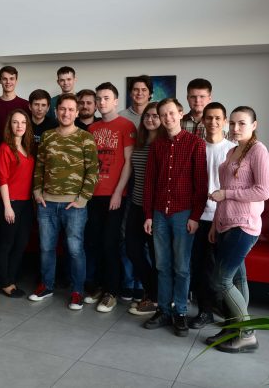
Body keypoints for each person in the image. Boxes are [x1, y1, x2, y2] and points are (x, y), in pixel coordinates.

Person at [206, 106, 269, 353]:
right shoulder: (232, 151)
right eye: (232, 123)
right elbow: (223, 193)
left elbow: (263, 191)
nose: (235, 128)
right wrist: (216, 224)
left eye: (242, 123)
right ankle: (235, 328)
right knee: (237, 278)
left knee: (220, 280)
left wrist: (227, 194)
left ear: (254, 125)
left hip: (244, 225)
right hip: (226, 223)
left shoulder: (258, 150)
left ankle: (247, 333)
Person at [142, 98, 207, 337]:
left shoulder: (196, 144)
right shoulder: (157, 146)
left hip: (184, 214)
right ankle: (164, 310)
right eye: (163, 115)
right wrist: (148, 215)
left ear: (180, 114)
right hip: (159, 214)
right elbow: (149, 183)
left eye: (171, 113)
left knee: (181, 267)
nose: (167, 118)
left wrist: (195, 216)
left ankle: (180, 312)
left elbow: (201, 184)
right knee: (162, 265)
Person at [29, 93, 98, 310]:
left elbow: (93, 171)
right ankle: (46, 285)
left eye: (70, 109)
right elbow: (39, 166)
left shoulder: (85, 137)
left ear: (76, 113)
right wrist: (37, 192)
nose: (66, 113)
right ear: (56, 111)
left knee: (75, 250)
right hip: (47, 203)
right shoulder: (47, 136)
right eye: (62, 109)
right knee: (46, 248)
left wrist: (82, 199)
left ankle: (77, 291)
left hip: (74, 206)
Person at [86, 82, 136, 313]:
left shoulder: (126, 126)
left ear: (116, 101)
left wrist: (118, 192)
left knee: (110, 243)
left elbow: (128, 162)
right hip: (93, 195)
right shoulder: (92, 128)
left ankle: (112, 292)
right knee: (95, 242)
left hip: (115, 195)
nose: (101, 102)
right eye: (99, 98)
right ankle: (99, 286)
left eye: (106, 98)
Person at [188, 102, 236, 329]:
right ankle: (205, 311)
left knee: (223, 270)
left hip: (226, 217)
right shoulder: (195, 146)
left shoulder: (233, 149)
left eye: (218, 118)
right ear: (203, 121)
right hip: (200, 216)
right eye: (209, 118)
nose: (213, 122)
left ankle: (230, 313)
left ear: (224, 121)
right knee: (200, 267)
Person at [126, 102, 161, 316]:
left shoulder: (164, 144)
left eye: (155, 116)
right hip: (136, 204)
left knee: (157, 256)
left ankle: (155, 299)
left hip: (155, 209)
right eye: (147, 116)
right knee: (132, 249)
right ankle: (152, 292)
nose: (150, 119)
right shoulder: (140, 142)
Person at [0, 109, 35, 298]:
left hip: (26, 203)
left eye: (23, 122)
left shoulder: (28, 148)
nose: (19, 126)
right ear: (9, 125)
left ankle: (11, 278)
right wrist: (7, 206)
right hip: (11, 202)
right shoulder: (5, 148)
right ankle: (5, 282)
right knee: (7, 243)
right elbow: (2, 179)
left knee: (21, 243)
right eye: (15, 122)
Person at [0, 66, 30, 138]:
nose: (8, 82)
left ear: (16, 81)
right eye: (5, 79)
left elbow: (29, 130)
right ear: (0, 81)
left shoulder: (26, 105)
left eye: (11, 79)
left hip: (19, 144)